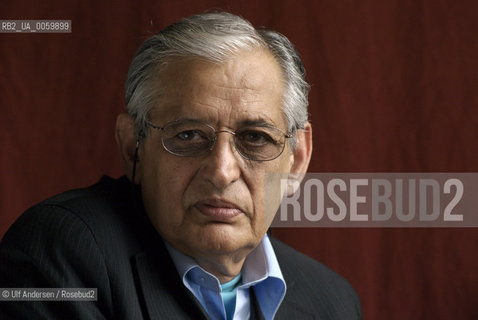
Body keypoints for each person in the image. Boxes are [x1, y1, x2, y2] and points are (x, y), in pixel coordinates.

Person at [0, 11, 361, 319]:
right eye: (188, 136)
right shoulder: (63, 252)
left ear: (297, 159)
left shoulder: (332, 301)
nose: (221, 171)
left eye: (254, 138)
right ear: (133, 147)